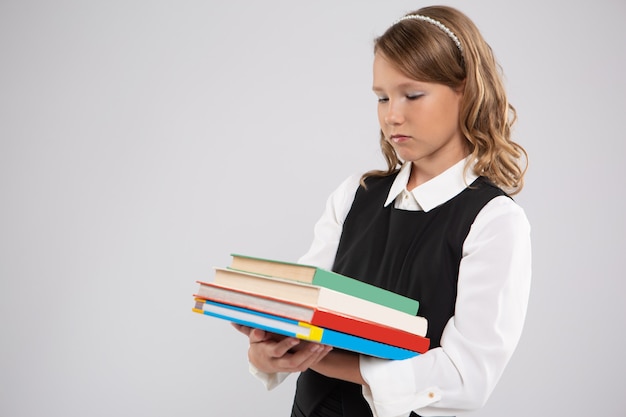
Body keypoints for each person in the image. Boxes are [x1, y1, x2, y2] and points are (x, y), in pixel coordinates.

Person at [233, 5, 531, 417]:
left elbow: (466, 379)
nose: (392, 115)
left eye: (412, 95)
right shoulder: (354, 195)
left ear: (465, 91)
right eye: (382, 97)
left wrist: (324, 360)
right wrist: (266, 351)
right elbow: (304, 309)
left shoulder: (494, 221)